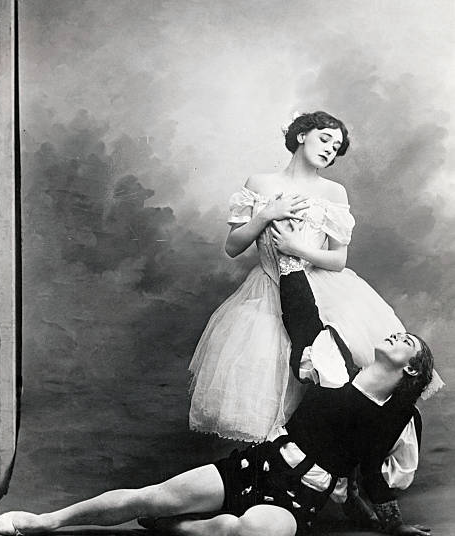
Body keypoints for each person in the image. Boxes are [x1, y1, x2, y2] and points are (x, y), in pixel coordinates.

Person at [0, 332, 434, 536]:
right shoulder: (332, 366)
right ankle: (47, 521)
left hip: (300, 501)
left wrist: (392, 522)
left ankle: (178, 528)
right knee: (151, 496)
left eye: (407, 341)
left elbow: (373, 474)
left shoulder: (398, 418)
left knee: (259, 535)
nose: (396, 335)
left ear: (412, 369)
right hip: (257, 468)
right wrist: (288, 259)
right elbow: (301, 310)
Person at [189, 111, 444, 443]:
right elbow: (232, 247)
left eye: (335, 147)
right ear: (301, 136)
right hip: (264, 292)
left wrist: (296, 247)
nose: (329, 149)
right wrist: (267, 214)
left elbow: (338, 260)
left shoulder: (334, 192)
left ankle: (337, 462)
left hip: (321, 289)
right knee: (269, 378)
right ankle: (275, 464)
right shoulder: (260, 184)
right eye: (324, 139)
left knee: (331, 373)